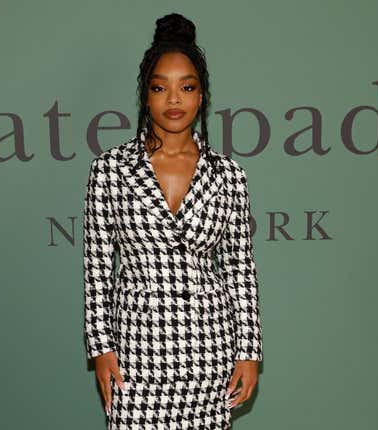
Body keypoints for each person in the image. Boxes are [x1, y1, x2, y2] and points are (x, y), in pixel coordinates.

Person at [83, 12, 263, 429]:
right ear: (146, 96)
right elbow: (97, 268)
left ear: (202, 96)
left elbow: (239, 268)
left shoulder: (228, 174)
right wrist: (102, 348)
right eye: (160, 88)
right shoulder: (109, 170)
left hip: (209, 350)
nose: (174, 100)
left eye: (187, 87)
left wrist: (248, 352)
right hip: (135, 351)